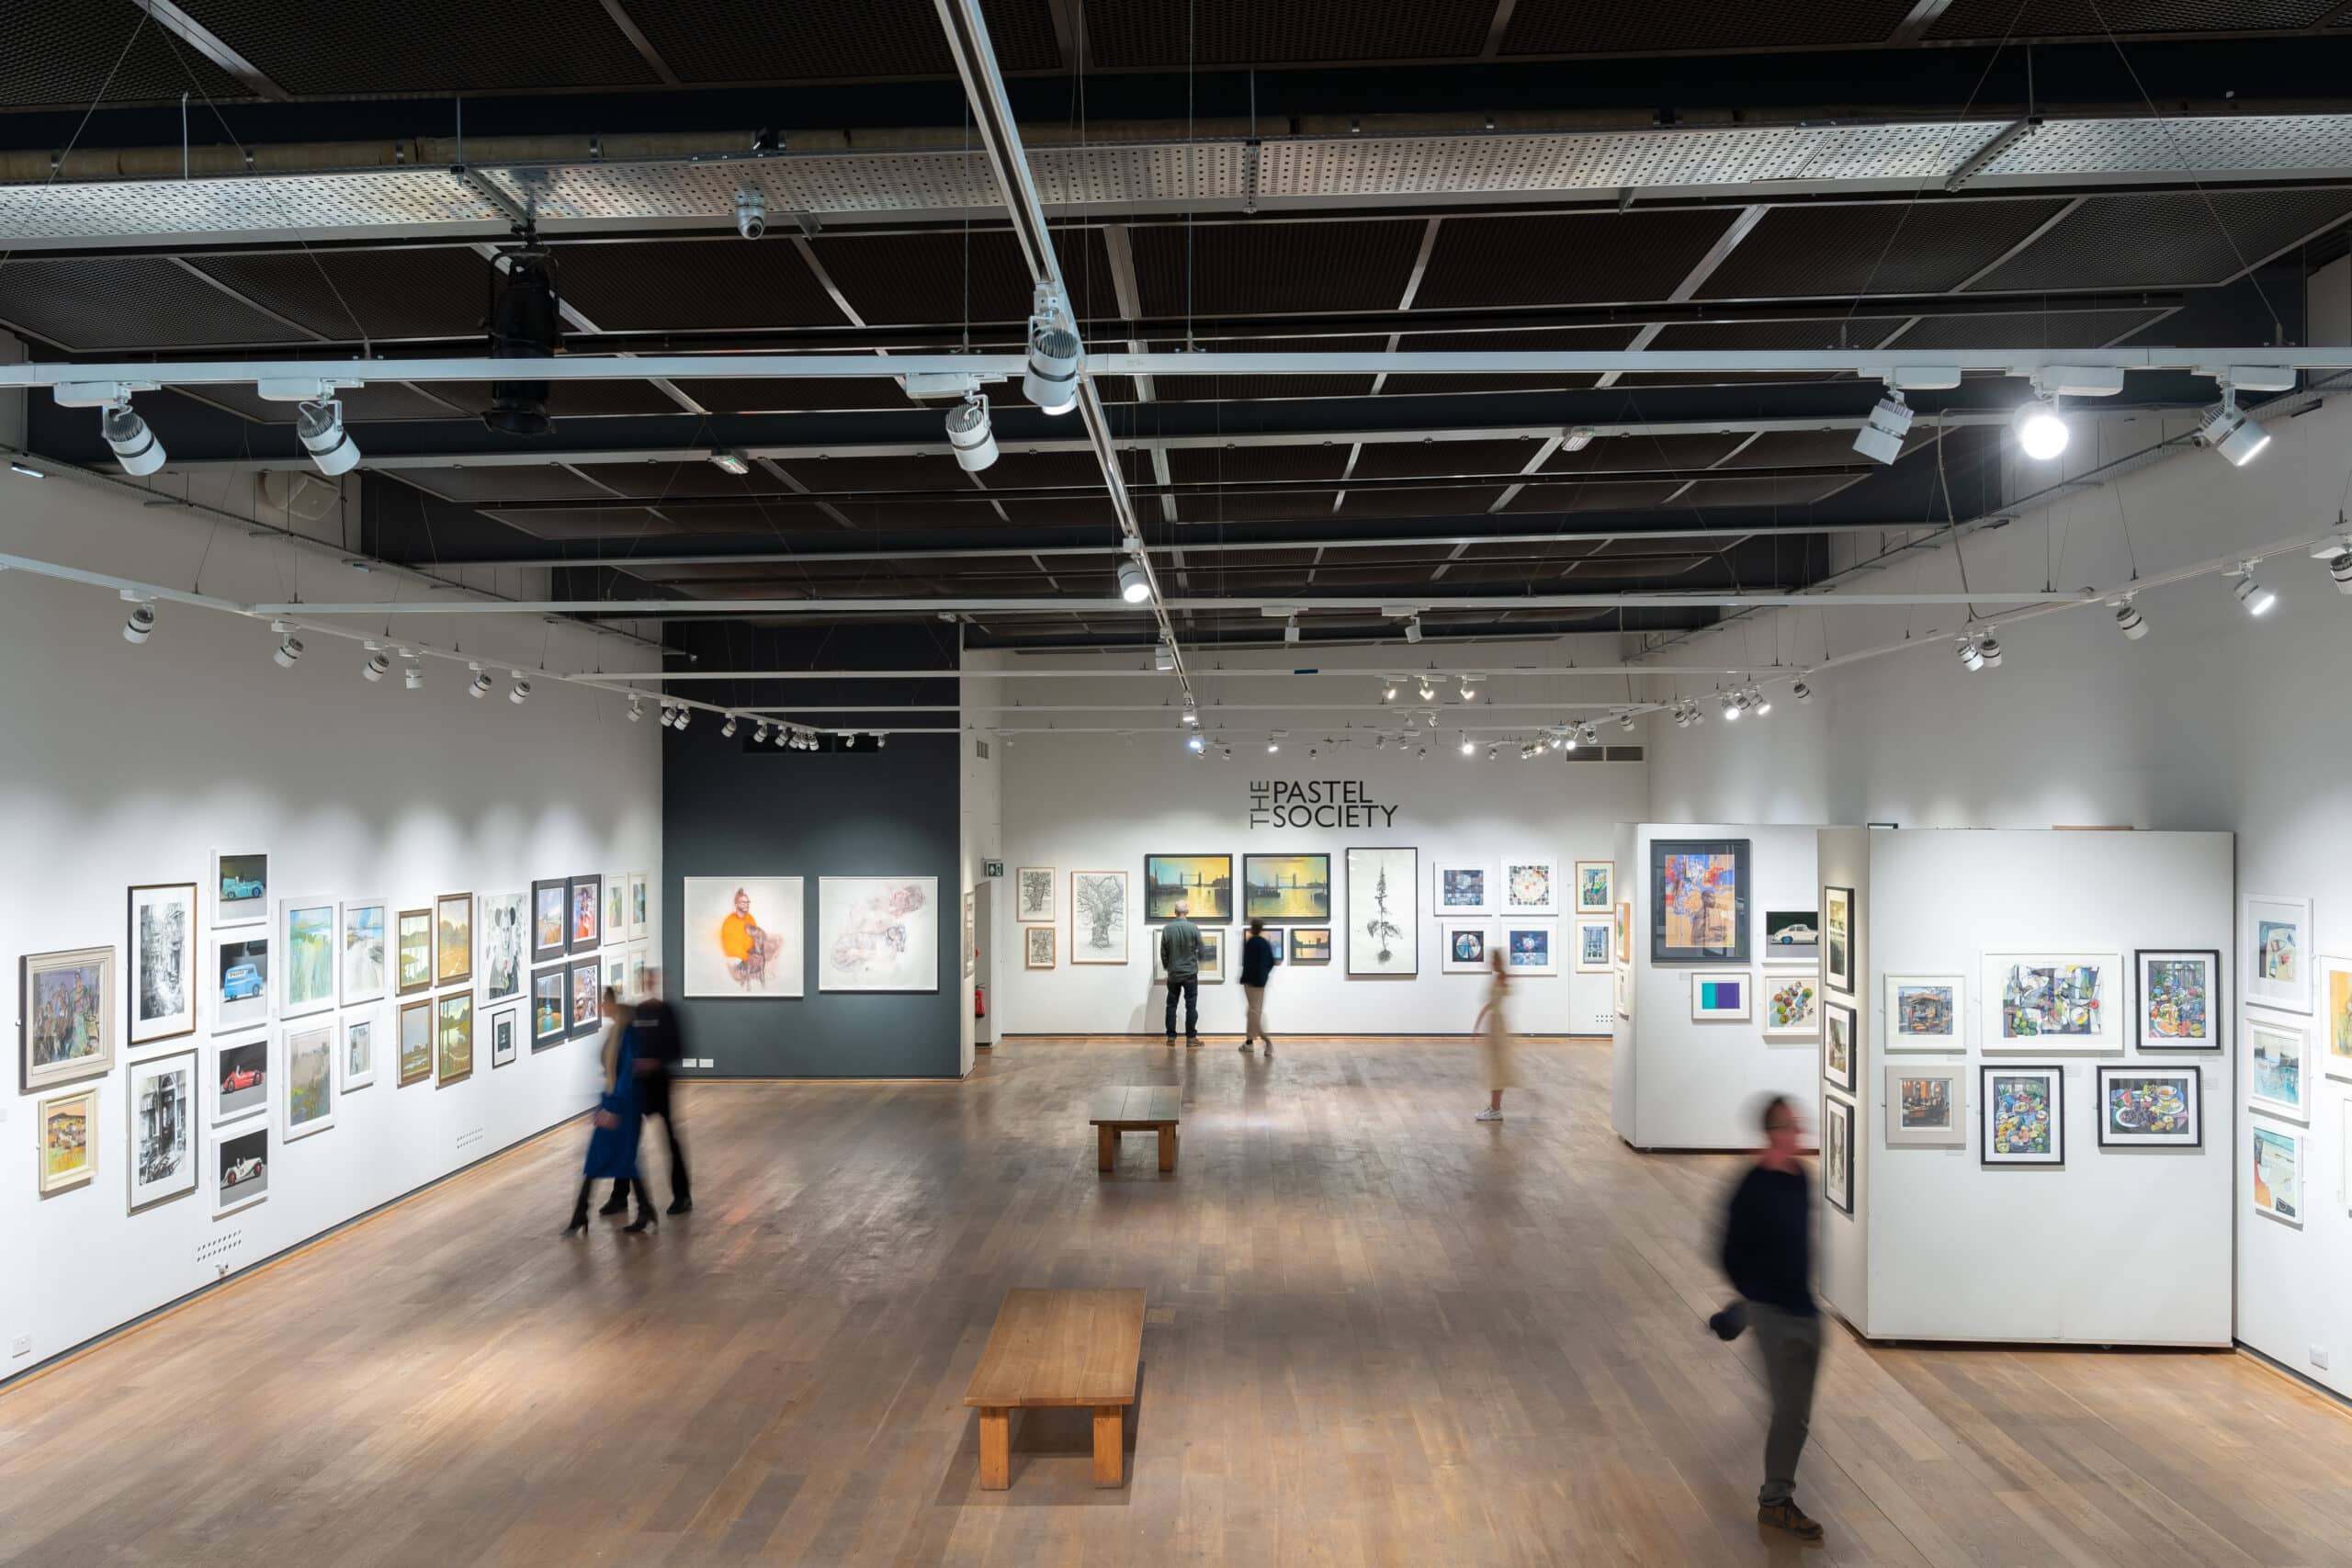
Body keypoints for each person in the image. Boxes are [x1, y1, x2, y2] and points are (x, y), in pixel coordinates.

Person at [1712, 1094, 1823, 1540]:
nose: (1799, 1134)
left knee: (1799, 1414)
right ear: (1772, 1134)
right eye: (1791, 1127)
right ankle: (1776, 1502)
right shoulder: (1750, 1187)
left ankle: (1740, 1314)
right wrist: (1757, 1296)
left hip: (1804, 1309)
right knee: (1790, 1411)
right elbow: (1728, 1253)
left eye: (1799, 1125)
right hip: (1774, 1314)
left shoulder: (1802, 1179)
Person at [601, 967, 692, 1216]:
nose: (650, 983)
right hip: (637, 1085)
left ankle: (682, 1196)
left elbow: (677, 1049)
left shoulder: (667, 1012)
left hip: (659, 1083)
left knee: (670, 1139)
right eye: (647, 980)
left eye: (654, 980)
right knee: (628, 1140)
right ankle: (620, 1197)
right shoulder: (636, 1012)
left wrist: (654, 1062)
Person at [565, 988, 657, 1236]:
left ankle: (644, 1210)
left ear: (612, 1003)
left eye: (603, 1002)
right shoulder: (616, 1032)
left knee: (624, 1160)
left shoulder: (627, 1034)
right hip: (613, 1103)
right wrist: (605, 1105)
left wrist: (613, 1106)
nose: (601, 1006)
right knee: (599, 1159)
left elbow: (627, 1074)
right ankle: (581, 1213)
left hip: (624, 1106)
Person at [1472, 944, 1513, 1122]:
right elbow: (1490, 1003)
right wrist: (1478, 1024)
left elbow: (1495, 1001)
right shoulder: (1498, 977)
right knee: (1494, 1067)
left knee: (1496, 1068)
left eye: (1492, 960)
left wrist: (1480, 1024)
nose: (1489, 963)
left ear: (1497, 961)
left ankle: (1495, 1109)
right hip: (1494, 1023)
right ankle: (1494, 1107)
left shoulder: (1502, 977)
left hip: (1497, 1025)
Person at [1160, 901, 1203, 1045]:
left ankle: (1171, 1038)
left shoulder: (1167, 929)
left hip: (1173, 973)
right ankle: (1191, 1038)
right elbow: (1201, 950)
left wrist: (1168, 966)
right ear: (1187, 912)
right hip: (1190, 973)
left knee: (1171, 1005)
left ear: (1174, 911)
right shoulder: (1193, 928)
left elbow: (1163, 953)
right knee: (1191, 1005)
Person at [1238, 918, 1275, 1054]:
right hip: (1259, 982)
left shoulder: (1249, 943)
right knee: (1253, 1012)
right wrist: (1264, 973)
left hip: (1249, 981)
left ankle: (1267, 1041)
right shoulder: (1265, 943)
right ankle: (1249, 1043)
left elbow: (1245, 962)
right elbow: (1271, 962)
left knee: (1253, 1013)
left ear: (1252, 928)